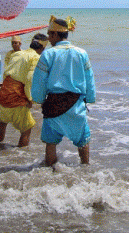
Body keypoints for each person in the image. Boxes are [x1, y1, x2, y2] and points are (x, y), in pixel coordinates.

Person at [31, 16, 96, 166]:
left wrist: (39, 99)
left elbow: (39, 81)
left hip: (53, 104)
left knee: (51, 142)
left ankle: (50, 171)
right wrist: (90, 98)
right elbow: (89, 78)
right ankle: (85, 170)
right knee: (83, 140)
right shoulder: (81, 53)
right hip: (76, 105)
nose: (48, 38)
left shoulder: (48, 54)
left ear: (55, 35)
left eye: (49, 34)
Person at [0, 33, 48, 147]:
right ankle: (20, 155)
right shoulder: (36, 57)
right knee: (27, 128)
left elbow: (6, 73)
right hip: (16, 95)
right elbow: (29, 79)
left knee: (3, 122)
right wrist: (29, 98)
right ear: (42, 48)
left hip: (5, 91)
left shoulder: (17, 54)